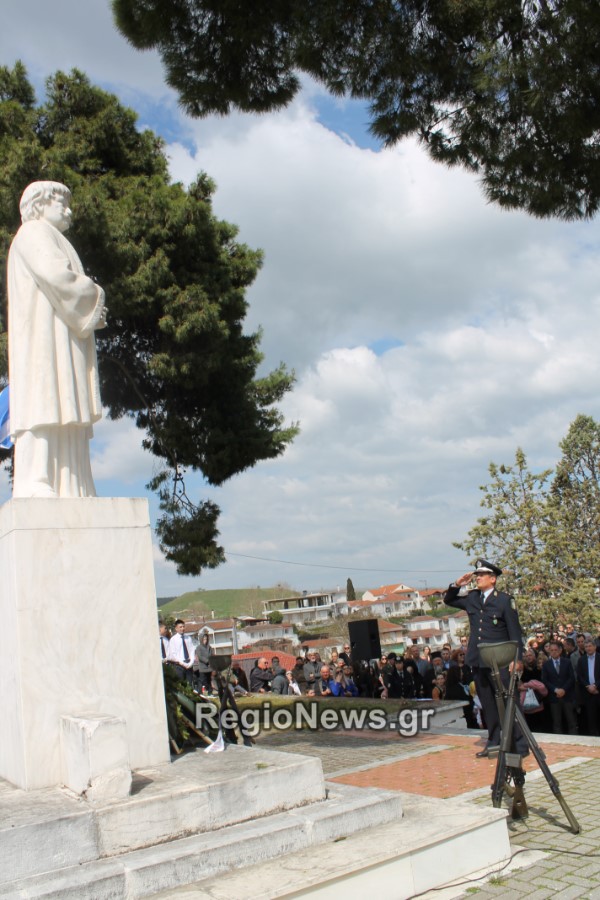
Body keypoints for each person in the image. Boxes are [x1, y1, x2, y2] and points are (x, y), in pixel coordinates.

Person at [8, 181, 107, 497]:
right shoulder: (33, 233)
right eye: (61, 203)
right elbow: (57, 276)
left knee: (64, 401)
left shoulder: (54, 237)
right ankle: (38, 477)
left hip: (62, 334)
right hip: (44, 337)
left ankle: (73, 483)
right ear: (39, 204)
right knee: (45, 399)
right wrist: (95, 298)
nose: (68, 210)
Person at [445, 559, 527, 758]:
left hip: (501, 660)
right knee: (488, 703)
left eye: (481, 575)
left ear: (493, 579)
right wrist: (457, 585)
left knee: (509, 702)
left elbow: (515, 632)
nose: (477, 577)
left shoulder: (504, 600)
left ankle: (520, 744)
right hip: (478, 660)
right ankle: (494, 741)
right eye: (477, 575)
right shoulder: (473, 597)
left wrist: (517, 659)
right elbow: (449, 600)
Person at [542, 640, 577, 735]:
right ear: (549, 651)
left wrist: (563, 689)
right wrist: (555, 690)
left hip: (567, 696)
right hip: (554, 697)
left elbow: (571, 678)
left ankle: (574, 739)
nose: (554, 652)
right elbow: (545, 680)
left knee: (571, 720)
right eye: (551, 650)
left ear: (560, 650)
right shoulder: (546, 664)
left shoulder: (567, 662)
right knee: (557, 722)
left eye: (556, 650)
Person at [577, 638, 600, 735]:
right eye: (586, 646)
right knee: (591, 717)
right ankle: (593, 735)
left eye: (590, 646)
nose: (588, 648)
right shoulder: (581, 660)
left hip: (598, 691)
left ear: (595, 647)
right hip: (588, 693)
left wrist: (595, 686)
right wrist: (588, 686)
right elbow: (579, 676)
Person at [167, 619, 195, 685]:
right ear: (176, 628)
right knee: (181, 684)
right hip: (179, 666)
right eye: (180, 627)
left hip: (189, 665)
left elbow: (192, 650)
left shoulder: (188, 638)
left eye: (183, 626)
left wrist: (191, 662)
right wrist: (182, 663)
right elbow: (174, 654)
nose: (182, 628)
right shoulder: (173, 640)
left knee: (190, 685)